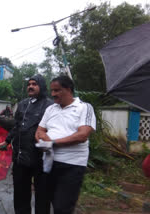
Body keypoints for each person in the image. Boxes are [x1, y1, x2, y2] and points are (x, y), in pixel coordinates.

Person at [35, 75, 96, 214]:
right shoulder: (51, 109)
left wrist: (52, 142)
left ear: (68, 89)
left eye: (57, 90)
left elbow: (82, 135)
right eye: (52, 91)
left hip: (72, 165)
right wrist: (42, 140)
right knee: (43, 203)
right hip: (49, 163)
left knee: (62, 208)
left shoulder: (84, 108)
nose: (53, 94)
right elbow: (39, 131)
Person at [0, 74, 53, 214]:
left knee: (42, 195)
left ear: (42, 86)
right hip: (20, 157)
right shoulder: (23, 104)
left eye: (34, 84)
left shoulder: (50, 106)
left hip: (40, 158)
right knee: (20, 194)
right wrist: (7, 140)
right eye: (29, 84)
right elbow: (16, 126)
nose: (30, 86)